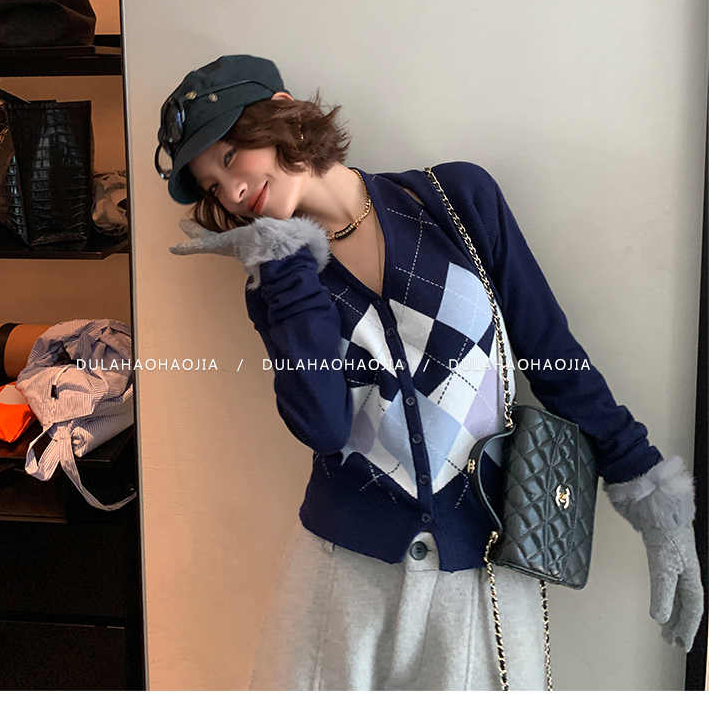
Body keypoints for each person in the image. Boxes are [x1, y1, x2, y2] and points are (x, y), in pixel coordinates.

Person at [156, 53, 704, 691]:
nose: (231, 191)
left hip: (482, 563)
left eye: (230, 157)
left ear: (282, 113)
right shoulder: (281, 283)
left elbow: (553, 356)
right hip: (341, 574)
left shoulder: (455, 200)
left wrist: (651, 497)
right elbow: (324, 427)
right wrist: (280, 257)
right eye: (213, 186)